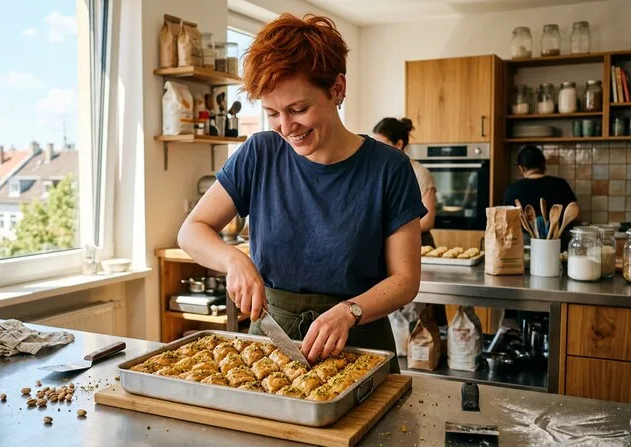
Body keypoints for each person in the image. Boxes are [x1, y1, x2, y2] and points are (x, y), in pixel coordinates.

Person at [177, 13, 425, 373]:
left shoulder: (389, 168)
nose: (286, 127)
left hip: (361, 345)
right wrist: (233, 260)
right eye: (272, 113)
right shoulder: (260, 153)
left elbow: (405, 280)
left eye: (299, 109)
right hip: (269, 344)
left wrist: (349, 311)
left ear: (337, 88)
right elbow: (192, 229)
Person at [373, 118, 437, 247]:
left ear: (399, 144)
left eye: (381, 145)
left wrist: (386, 232)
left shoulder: (420, 173)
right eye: (375, 145)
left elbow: (427, 221)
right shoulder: (378, 173)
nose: (376, 151)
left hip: (418, 244)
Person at [502, 145, 578, 246]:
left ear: (521, 168)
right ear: (543, 165)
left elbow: (506, 223)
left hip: (524, 249)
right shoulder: (560, 184)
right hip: (560, 247)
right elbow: (577, 216)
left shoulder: (512, 190)